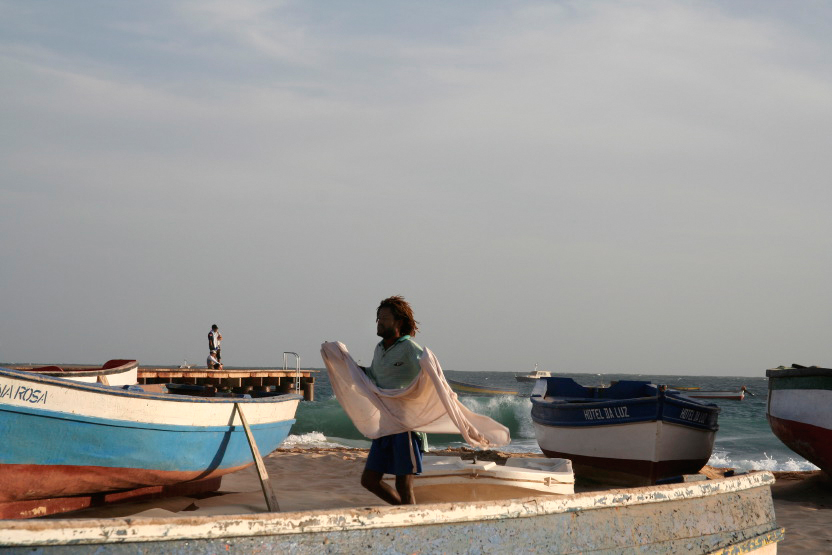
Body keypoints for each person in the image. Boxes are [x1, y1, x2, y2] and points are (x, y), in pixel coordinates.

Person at [358, 295, 427, 505]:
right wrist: (344, 365)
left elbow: (429, 376)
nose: (379, 322)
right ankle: (408, 516)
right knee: (369, 480)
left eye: (384, 318)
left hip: (406, 426)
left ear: (398, 322)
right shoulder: (379, 349)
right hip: (384, 425)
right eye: (378, 318)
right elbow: (373, 376)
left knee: (403, 485)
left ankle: (412, 526)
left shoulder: (409, 349)